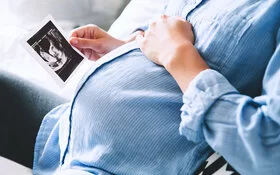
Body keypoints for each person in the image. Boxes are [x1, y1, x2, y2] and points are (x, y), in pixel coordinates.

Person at [0, 0, 280, 175]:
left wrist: (176, 52)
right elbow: (191, 45)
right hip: (68, 134)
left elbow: (269, 149)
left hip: (121, 164)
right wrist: (129, 49)